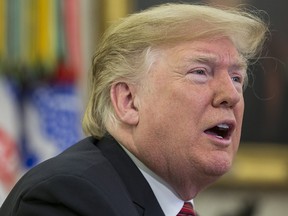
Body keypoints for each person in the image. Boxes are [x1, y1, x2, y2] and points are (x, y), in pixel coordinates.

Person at [0, 3, 267, 216]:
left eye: (236, 78)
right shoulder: (67, 197)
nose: (231, 95)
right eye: (200, 72)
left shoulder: (167, 202)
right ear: (128, 101)